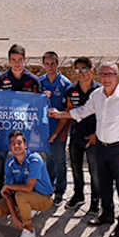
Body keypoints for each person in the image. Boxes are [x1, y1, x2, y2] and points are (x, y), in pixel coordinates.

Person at [50, 62, 119, 237]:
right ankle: (107, 214)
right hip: (101, 147)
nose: (106, 78)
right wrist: (60, 114)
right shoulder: (97, 95)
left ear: (116, 76)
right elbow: (83, 111)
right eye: (103, 74)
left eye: (110, 74)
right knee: (104, 184)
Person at [0, 44, 42, 202]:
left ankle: (23, 192)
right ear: (9, 60)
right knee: (0, 160)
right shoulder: (0, 79)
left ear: (24, 60)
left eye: (20, 60)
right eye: (13, 60)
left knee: (23, 160)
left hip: (24, 130)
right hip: (4, 129)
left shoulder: (33, 81)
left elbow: (38, 106)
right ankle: (1, 191)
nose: (17, 63)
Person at [0, 131, 54, 237]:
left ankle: (28, 230)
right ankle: (25, 210)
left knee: (21, 196)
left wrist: (7, 185)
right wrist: (15, 218)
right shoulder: (9, 162)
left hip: (43, 198)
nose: (16, 145)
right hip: (22, 196)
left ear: (25, 145)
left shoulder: (35, 159)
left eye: (19, 142)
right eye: (12, 143)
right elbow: (8, 193)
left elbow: (29, 188)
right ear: (9, 147)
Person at [63, 57, 101, 214]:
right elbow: (68, 113)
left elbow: (106, 116)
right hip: (76, 136)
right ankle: (78, 194)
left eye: (84, 69)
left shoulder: (100, 90)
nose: (81, 73)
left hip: (94, 138)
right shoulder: (70, 91)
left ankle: (95, 200)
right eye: (78, 70)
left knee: (95, 172)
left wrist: (96, 135)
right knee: (76, 169)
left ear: (91, 70)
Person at [38, 51, 72, 205]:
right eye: (47, 64)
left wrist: (59, 132)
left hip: (60, 130)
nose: (50, 67)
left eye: (53, 63)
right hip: (44, 130)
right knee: (48, 160)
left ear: (57, 63)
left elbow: (68, 111)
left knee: (60, 161)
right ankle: (49, 187)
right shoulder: (40, 82)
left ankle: (60, 191)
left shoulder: (65, 84)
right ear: (43, 64)